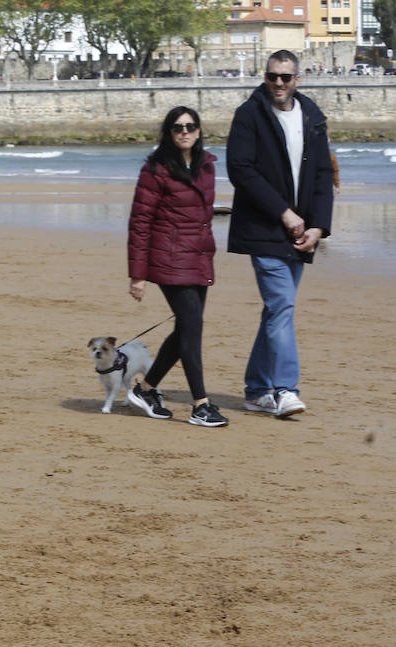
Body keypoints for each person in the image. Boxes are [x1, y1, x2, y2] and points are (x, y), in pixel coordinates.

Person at [227, 49, 333, 418]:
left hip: (301, 231)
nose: (278, 83)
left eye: (286, 77)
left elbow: (322, 174)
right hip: (263, 228)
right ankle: (285, 389)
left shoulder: (312, 117)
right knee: (282, 307)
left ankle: (257, 390)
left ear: (297, 80)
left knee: (277, 311)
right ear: (265, 76)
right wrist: (284, 213)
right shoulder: (248, 115)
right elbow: (240, 170)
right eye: (272, 76)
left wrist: (318, 225)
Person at [126, 106, 228, 428]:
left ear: (199, 130)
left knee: (186, 327)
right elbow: (140, 222)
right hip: (169, 259)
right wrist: (137, 275)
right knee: (192, 328)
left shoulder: (208, 166)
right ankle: (201, 404)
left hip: (199, 257)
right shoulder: (156, 170)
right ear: (168, 133)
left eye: (190, 126)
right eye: (177, 127)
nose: (184, 131)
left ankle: (146, 389)